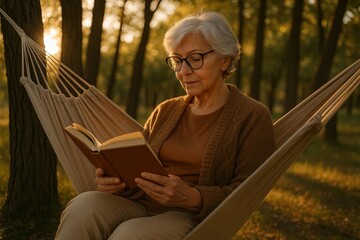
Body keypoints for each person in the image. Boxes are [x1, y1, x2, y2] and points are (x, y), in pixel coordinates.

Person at [55, 11, 275, 240]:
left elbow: (247, 194)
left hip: (189, 216)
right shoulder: (166, 110)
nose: (184, 71)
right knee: (83, 205)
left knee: (129, 235)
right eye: (177, 60)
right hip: (140, 202)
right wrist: (114, 182)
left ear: (225, 59)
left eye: (195, 58)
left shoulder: (252, 117)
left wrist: (192, 197)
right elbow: (141, 166)